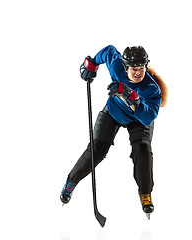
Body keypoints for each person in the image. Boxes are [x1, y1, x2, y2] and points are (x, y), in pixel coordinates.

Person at [60, 45, 167, 217]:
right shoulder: (116, 65)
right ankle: (70, 182)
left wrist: (132, 100)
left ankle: (145, 193)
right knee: (96, 151)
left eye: (141, 68)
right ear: (125, 67)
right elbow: (108, 51)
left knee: (143, 151)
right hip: (113, 112)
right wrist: (92, 64)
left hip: (139, 119)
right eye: (134, 69)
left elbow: (148, 118)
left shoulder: (152, 89)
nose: (138, 73)